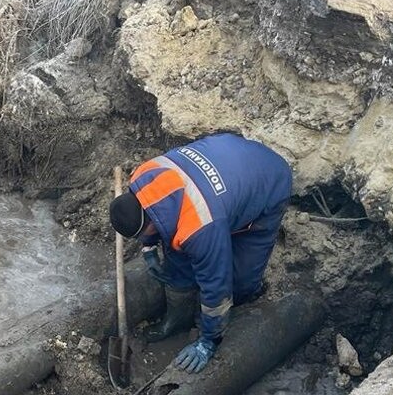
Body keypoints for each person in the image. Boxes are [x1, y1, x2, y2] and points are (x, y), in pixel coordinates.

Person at [109, 132, 292, 373]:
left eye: (143, 233)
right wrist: (149, 245)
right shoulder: (143, 175)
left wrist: (209, 341)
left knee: (239, 278)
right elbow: (155, 215)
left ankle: (237, 310)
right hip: (226, 159)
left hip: (268, 181)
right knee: (177, 251)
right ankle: (178, 318)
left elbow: (217, 283)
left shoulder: (201, 227)